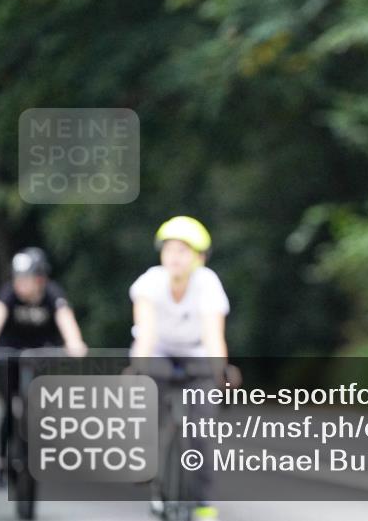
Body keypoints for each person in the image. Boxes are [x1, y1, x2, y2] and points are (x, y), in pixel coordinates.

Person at [130, 216, 231, 521]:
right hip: (158, 351)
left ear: (199, 257)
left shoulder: (208, 283)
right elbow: (145, 334)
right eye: (169, 249)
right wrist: (139, 372)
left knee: (201, 430)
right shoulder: (149, 282)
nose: (174, 256)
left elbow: (214, 337)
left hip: (194, 354)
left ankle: (202, 500)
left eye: (183, 250)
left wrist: (220, 375)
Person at [0, 247, 88, 487]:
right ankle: (2, 462)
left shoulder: (53, 294)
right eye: (17, 278)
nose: (20, 284)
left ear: (41, 278)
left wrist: (75, 344)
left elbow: (66, 320)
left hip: (41, 355)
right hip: (9, 354)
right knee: (9, 411)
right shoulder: (8, 293)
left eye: (26, 278)